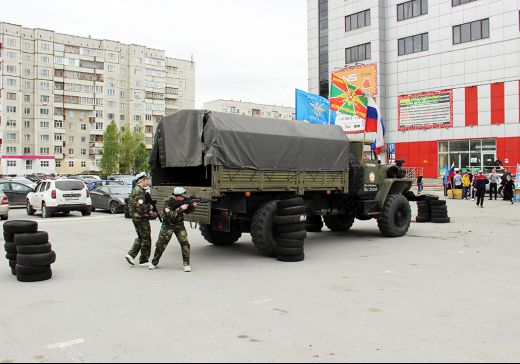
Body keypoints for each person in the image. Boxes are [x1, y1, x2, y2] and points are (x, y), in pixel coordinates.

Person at [149, 187, 197, 272]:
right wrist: (181, 208)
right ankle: (154, 262)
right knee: (161, 244)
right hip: (168, 224)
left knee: (185, 243)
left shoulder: (184, 200)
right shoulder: (167, 202)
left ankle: (186, 264)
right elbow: (170, 215)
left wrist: (192, 207)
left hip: (179, 224)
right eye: (182, 196)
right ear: (177, 196)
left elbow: (187, 211)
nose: (183, 197)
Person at [125, 173, 157, 267]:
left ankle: (132, 255)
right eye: (146, 180)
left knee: (141, 237)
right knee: (146, 238)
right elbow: (140, 206)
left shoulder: (138, 190)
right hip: (140, 217)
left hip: (137, 217)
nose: (148, 181)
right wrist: (150, 210)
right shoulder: (139, 191)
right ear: (141, 180)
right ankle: (143, 259)